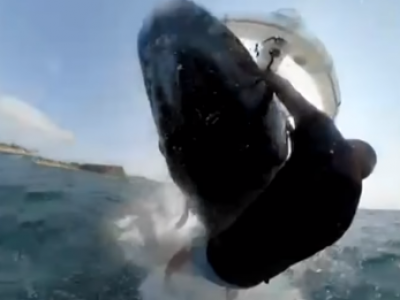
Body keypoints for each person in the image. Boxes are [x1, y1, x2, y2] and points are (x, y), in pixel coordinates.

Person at [165, 70, 377, 289]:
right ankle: (227, 292)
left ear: (353, 147)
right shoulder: (346, 214)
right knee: (244, 251)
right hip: (245, 280)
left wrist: (260, 71)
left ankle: (165, 285)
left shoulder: (328, 143)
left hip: (218, 260)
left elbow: (290, 94)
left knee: (188, 252)